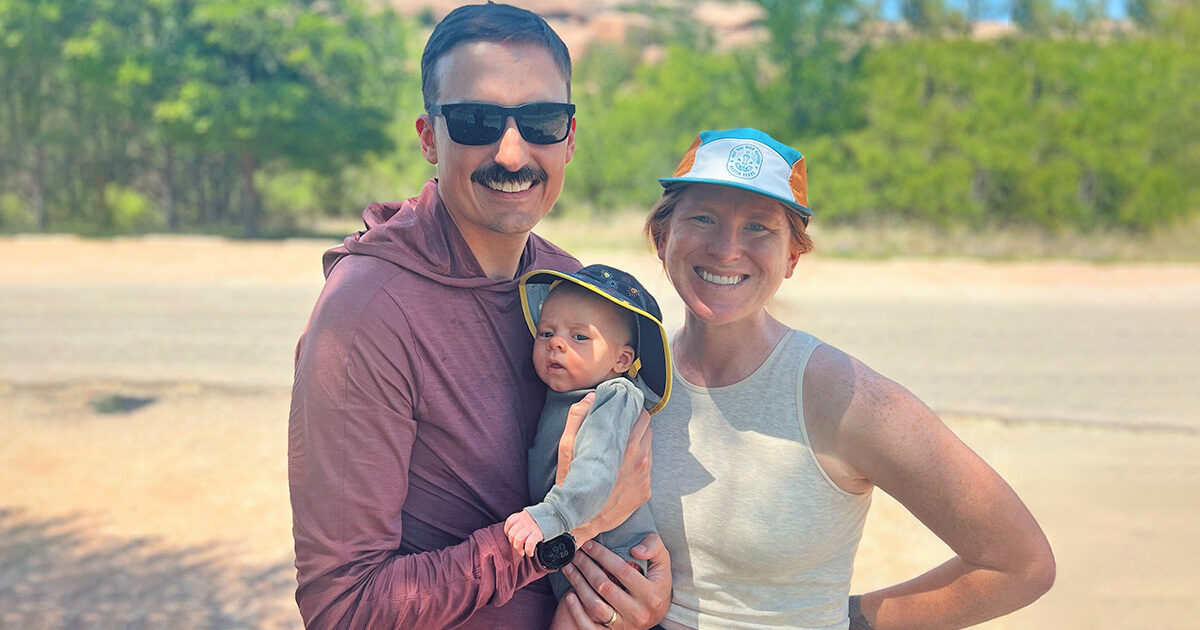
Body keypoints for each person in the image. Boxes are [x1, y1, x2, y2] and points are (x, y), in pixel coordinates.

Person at [554, 129, 1056, 630]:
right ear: (663, 240)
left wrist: (847, 622)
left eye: (759, 228)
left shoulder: (842, 395)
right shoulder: (627, 373)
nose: (728, 249)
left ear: (793, 257)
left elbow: (1018, 564)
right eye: (703, 218)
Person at [287, 4, 669, 628]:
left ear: (570, 137)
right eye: (475, 121)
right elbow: (343, 608)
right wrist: (555, 536)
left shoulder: (568, 291)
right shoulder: (369, 310)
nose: (513, 153)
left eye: (542, 120)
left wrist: (635, 596)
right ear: (429, 137)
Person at [504, 265, 672, 600]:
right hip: (580, 560)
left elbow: (597, 468)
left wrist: (551, 515)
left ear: (621, 360)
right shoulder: (563, 395)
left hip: (615, 568)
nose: (557, 345)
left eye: (579, 337)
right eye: (546, 333)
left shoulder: (612, 397)